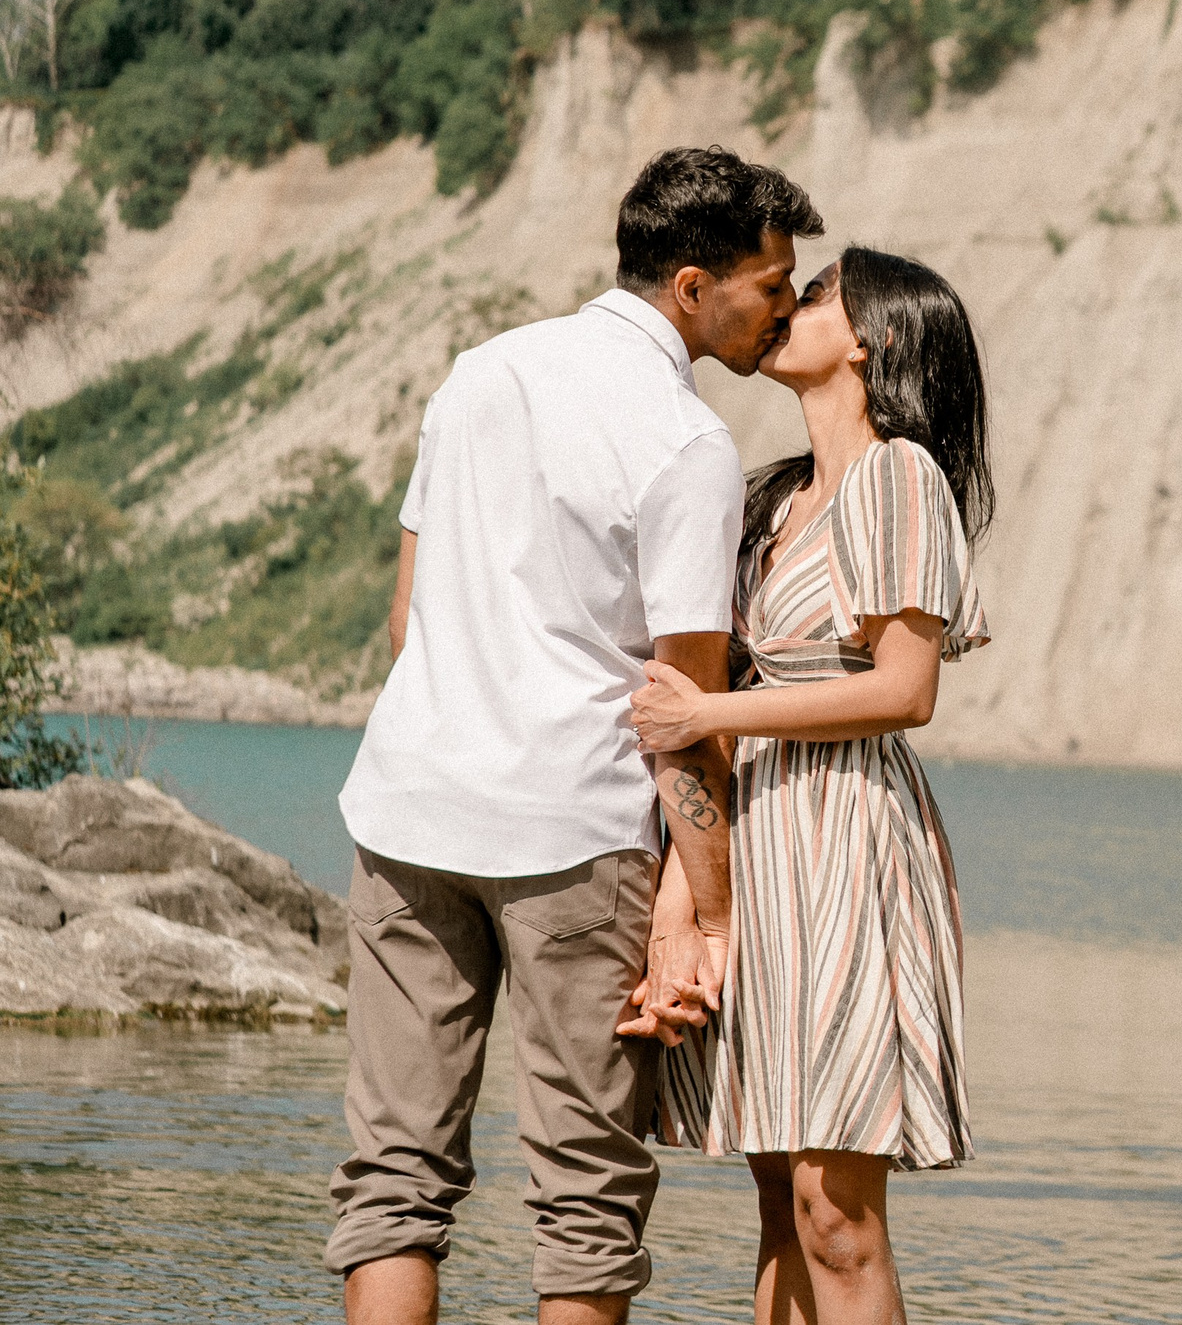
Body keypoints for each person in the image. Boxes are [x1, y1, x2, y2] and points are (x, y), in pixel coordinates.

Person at [327, 147, 824, 1325]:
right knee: (586, 1198)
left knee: (393, 1179)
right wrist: (711, 912)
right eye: (772, 285)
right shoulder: (685, 441)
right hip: (574, 835)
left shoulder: (480, 374)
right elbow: (684, 703)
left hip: (406, 814)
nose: (786, 308)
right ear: (693, 286)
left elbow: (406, 622)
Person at [623, 245, 992, 1325]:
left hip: (847, 840)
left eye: (818, 291)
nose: (789, 303)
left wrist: (708, 715)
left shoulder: (897, 476)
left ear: (877, 335)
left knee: (836, 1210)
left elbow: (905, 691)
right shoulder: (777, 495)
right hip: (753, 836)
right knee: (779, 1199)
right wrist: (679, 914)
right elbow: (712, 702)